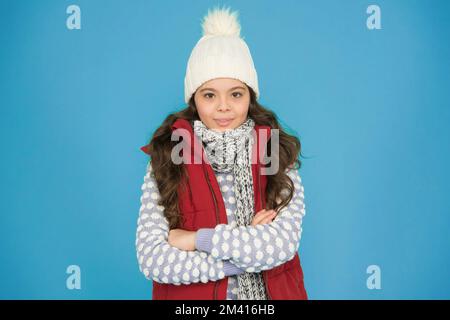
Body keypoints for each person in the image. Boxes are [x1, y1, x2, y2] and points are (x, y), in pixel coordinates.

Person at [136, 6, 308, 300]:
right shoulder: (169, 156)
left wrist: (195, 239)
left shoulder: (275, 153)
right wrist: (243, 255)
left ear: (250, 96)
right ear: (194, 99)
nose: (224, 106)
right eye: (209, 95)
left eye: (236, 94)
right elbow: (153, 259)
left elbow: (281, 245)